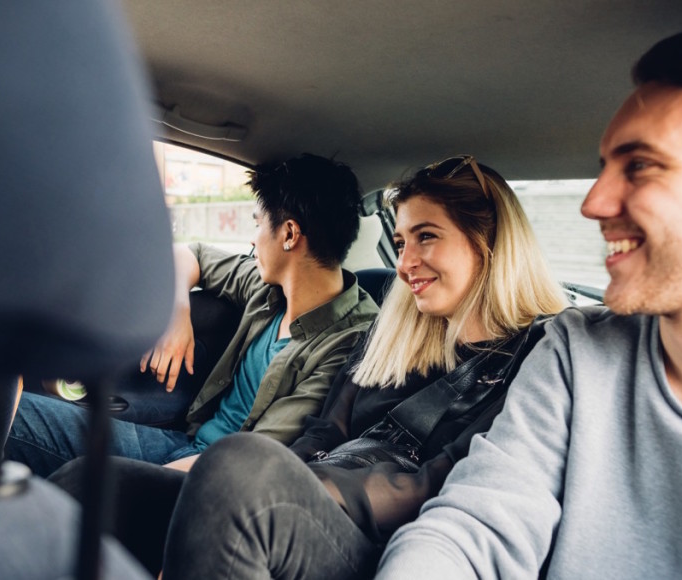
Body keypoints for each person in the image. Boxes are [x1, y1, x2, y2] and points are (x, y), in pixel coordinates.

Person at [377, 25, 682, 579]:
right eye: (603, 168)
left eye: (639, 165)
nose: (594, 202)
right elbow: (476, 524)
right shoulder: (574, 352)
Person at [51, 155, 568, 578]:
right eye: (403, 240)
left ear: (489, 242)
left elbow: (440, 482)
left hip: (385, 542)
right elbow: (326, 429)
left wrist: (300, 485)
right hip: (312, 495)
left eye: (426, 236)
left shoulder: (537, 358)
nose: (405, 261)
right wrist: (288, 478)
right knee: (94, 481)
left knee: (240, 468)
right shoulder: (392, 337)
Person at [5, 153, 379, 476]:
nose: (252, 238)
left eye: (256, 223)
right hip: (184, 442)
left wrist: (136, 482)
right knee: (6, 412)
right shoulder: (268, 288)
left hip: (213, 479)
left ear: (289, 234)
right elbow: (191, 252)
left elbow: (258, 456)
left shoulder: (348, 342)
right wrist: (177, 310)